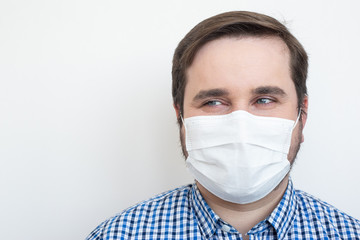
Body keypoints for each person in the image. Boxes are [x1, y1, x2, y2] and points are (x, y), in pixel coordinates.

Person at [86, 11, 360, 239]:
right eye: (214, 102)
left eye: (264, 100)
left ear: (303, 115)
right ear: (180, 117)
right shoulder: (118, 235)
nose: (240, 127)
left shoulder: (349, 234)